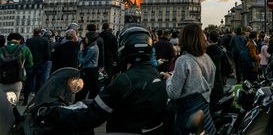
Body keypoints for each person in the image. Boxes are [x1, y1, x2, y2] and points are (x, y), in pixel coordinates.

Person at [39, 25, 168, 134]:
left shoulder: (125, 80)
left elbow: (93, 115)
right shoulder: (155, 75)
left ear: (124, 48)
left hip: (121, 131)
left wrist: (55, 112)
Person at [161, 23, 216, 135]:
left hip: (188, 117)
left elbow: (173, 93)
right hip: (205, 116)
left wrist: (169, 79)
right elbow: (209, 84)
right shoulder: (207, 59)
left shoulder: (183, 60)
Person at [0, 33, 33, 101]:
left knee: (3, 102)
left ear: (8, 40)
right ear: (20, 40)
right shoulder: (25, 49)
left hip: (3, 80)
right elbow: (30, 64)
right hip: (17, 80)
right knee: (14, 102)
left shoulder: (1, 49)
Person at [24, 27, 50, 105]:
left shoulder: (29, 41)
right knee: (39, 82)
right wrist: (44, 61)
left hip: (30, 64)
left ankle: (25, 100)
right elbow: (47, 54)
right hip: (40, 64)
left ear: (33, 32)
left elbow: (26, 52)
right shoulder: (45, 40)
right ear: (40, 33)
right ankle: (36, 101)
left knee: (29, 82)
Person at [75, 31, 100, 101]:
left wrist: (80, 51)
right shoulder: (93, 46)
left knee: (84, 88)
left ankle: (80, 102)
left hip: (89, 71)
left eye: (86, 37)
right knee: (91, 89)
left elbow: (83, 61)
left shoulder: (92, 48)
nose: (85, 39)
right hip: (92, 70)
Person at [206, 30, 224, 112]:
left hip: (208, 77)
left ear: (209, 38)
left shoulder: (206, 51)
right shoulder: (221, 50)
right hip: (218, 75)